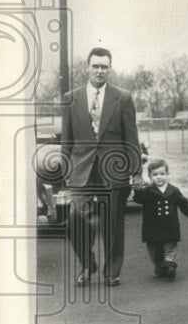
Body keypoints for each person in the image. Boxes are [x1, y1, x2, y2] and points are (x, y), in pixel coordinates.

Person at [60, 47, 141, 287]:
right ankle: (88, 263)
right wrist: (64, 172)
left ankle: (112, 271)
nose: (100, 70)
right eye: (95, 66)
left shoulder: (122, 97)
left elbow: (131, 137)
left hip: (113, 170)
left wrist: (136, 171)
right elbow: (67, 138)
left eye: (104, 66)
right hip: (81, 170)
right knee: (74, 218)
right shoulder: (71, 97)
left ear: (110, 68)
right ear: (87, 67)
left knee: (113, 225)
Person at [131, 159, 188, 279]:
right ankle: (160, 267)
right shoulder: (147, 191)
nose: (159, 177)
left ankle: (170, 265)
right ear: (150, 176)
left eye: (162, 174)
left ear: (167, 174)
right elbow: (138, 199)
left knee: (170, 248)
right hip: (152, 227)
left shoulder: (174, 191)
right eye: (155, 175)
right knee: (155, 251)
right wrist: (137, 189)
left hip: (170, 226)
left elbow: (184, 205)